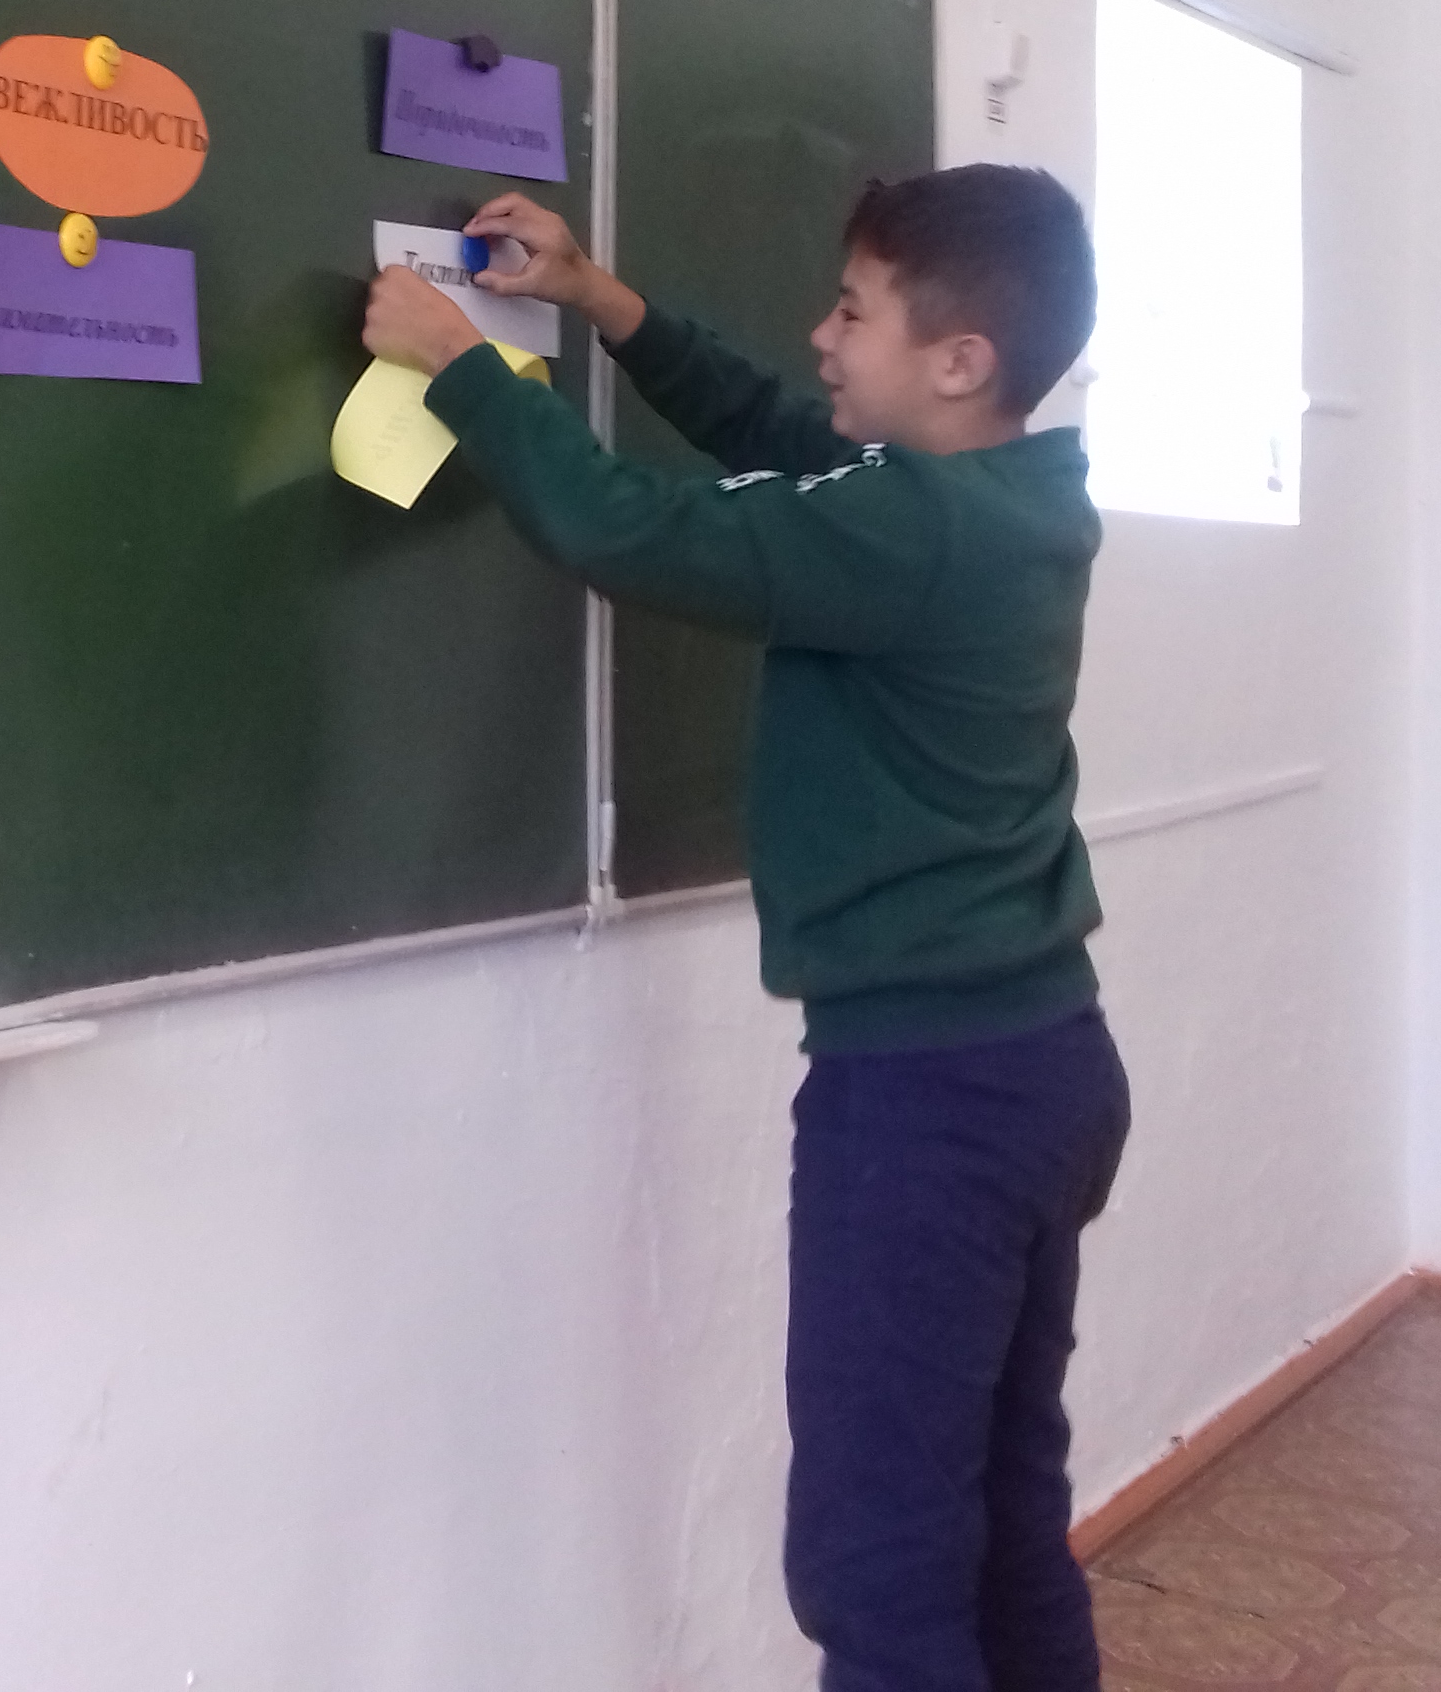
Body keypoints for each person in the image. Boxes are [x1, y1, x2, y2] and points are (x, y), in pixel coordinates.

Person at [362, 164, 1125, 1692]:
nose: (821, 336)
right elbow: (786, 438)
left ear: (959, 361)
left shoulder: (910, 535)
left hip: (928, 1102)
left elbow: (622, 528)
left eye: (853, 311)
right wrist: (604, 304)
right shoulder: (1003, 500)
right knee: (1000, 1519)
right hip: (1042, 1064)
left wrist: (462, 368)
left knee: (877, 1562)